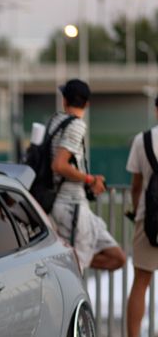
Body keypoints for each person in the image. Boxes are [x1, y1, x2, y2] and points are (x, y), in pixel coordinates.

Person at [49, 79, 126, 274]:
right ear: (87, 104)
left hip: (76, 205)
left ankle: (60, 262)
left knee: (117, 258)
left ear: (64, 100)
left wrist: (87, 179)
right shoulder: (76, 126)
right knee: (75, 269)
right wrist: (90, 180)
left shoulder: (56, 122)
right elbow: (59, 164)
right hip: (70, 207)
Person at [121, 96, 158, 337]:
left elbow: (136, 185)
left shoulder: (142, 140)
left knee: (141, 283)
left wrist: (137, 211)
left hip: (149, 219)